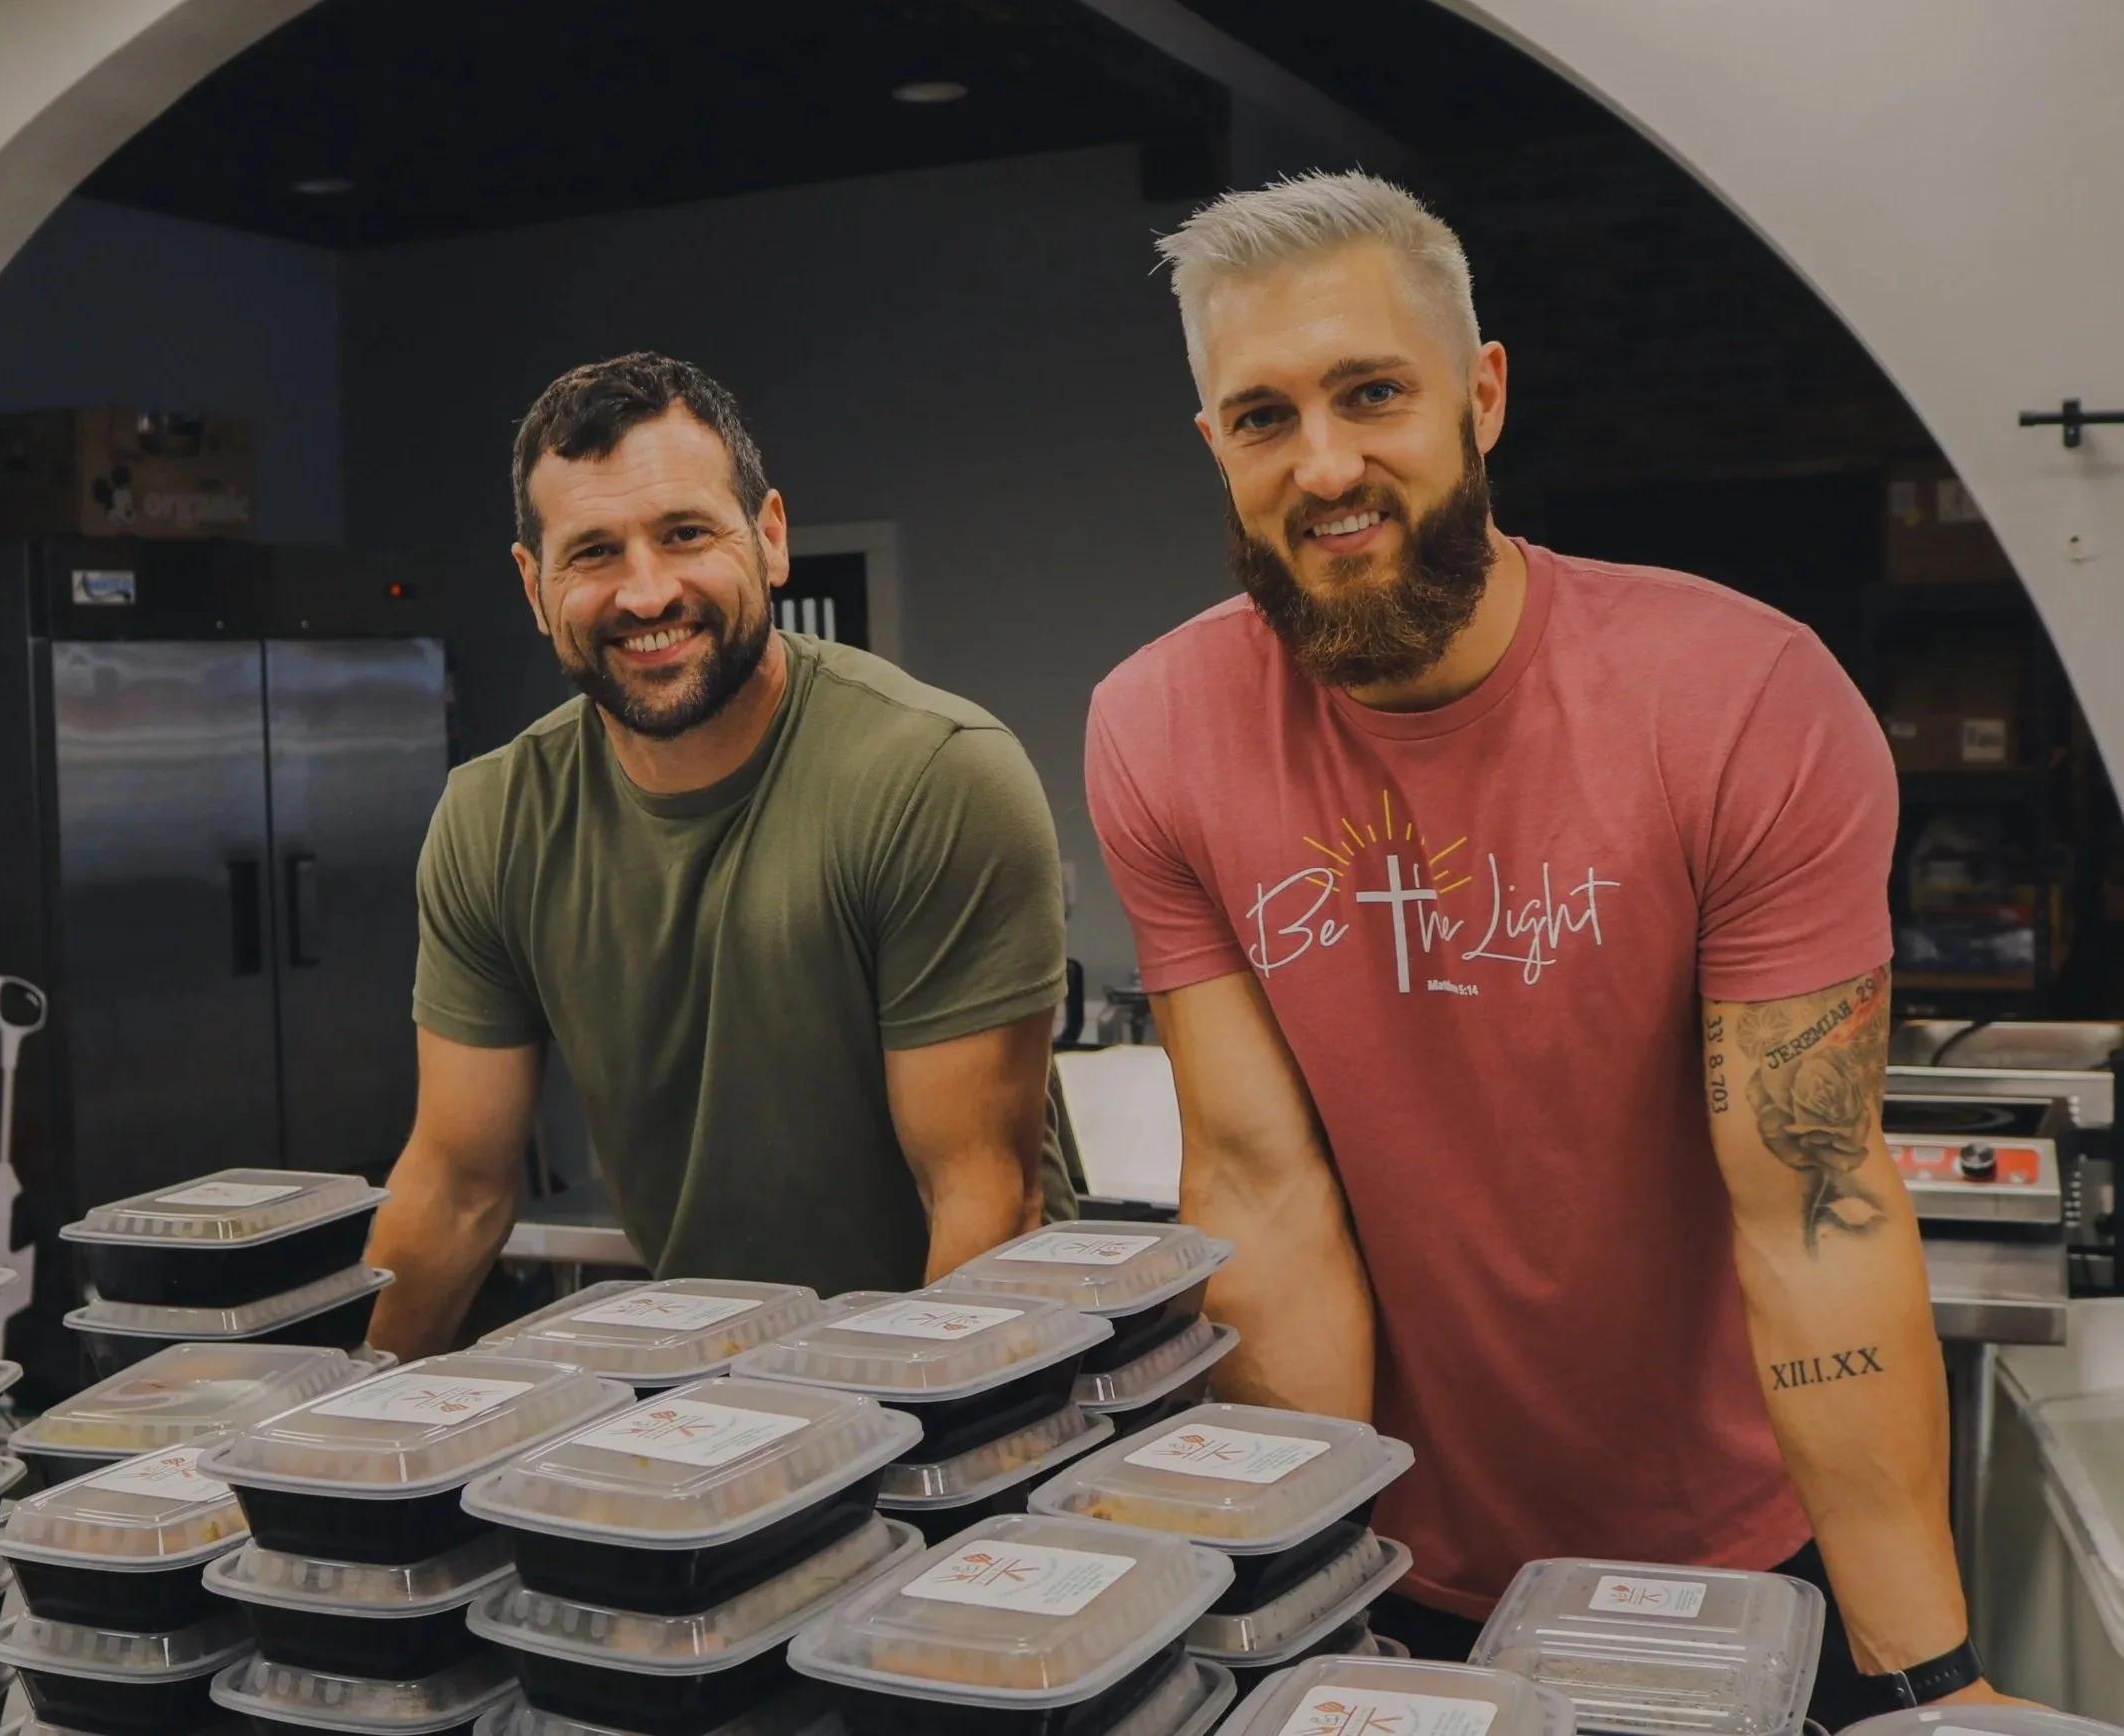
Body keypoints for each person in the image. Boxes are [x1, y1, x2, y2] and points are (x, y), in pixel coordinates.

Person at [1086, 173, 2009, 1721]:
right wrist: (1304, 1602)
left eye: (1370, 391)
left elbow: (1814, 1209)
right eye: (1261, 417)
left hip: (1741, 1549)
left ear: (1481, 394)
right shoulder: (1156, 731)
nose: (1324, 465)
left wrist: (1928, 1680)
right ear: (1212, 446)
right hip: (1399, 1558)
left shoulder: (1740, 702)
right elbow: (1261, 1189)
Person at [367, 352, 1070, 1358]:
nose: (646, 592)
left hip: (977, 1384)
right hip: (716, 1390)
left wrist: (896, 1456)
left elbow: (982, 1204)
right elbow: (456, 1185)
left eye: (685, 533)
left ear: (770, 536)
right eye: (593, 552)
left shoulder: (932, 776)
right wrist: (334, 1423)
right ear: (534, 585)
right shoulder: (494, 816)